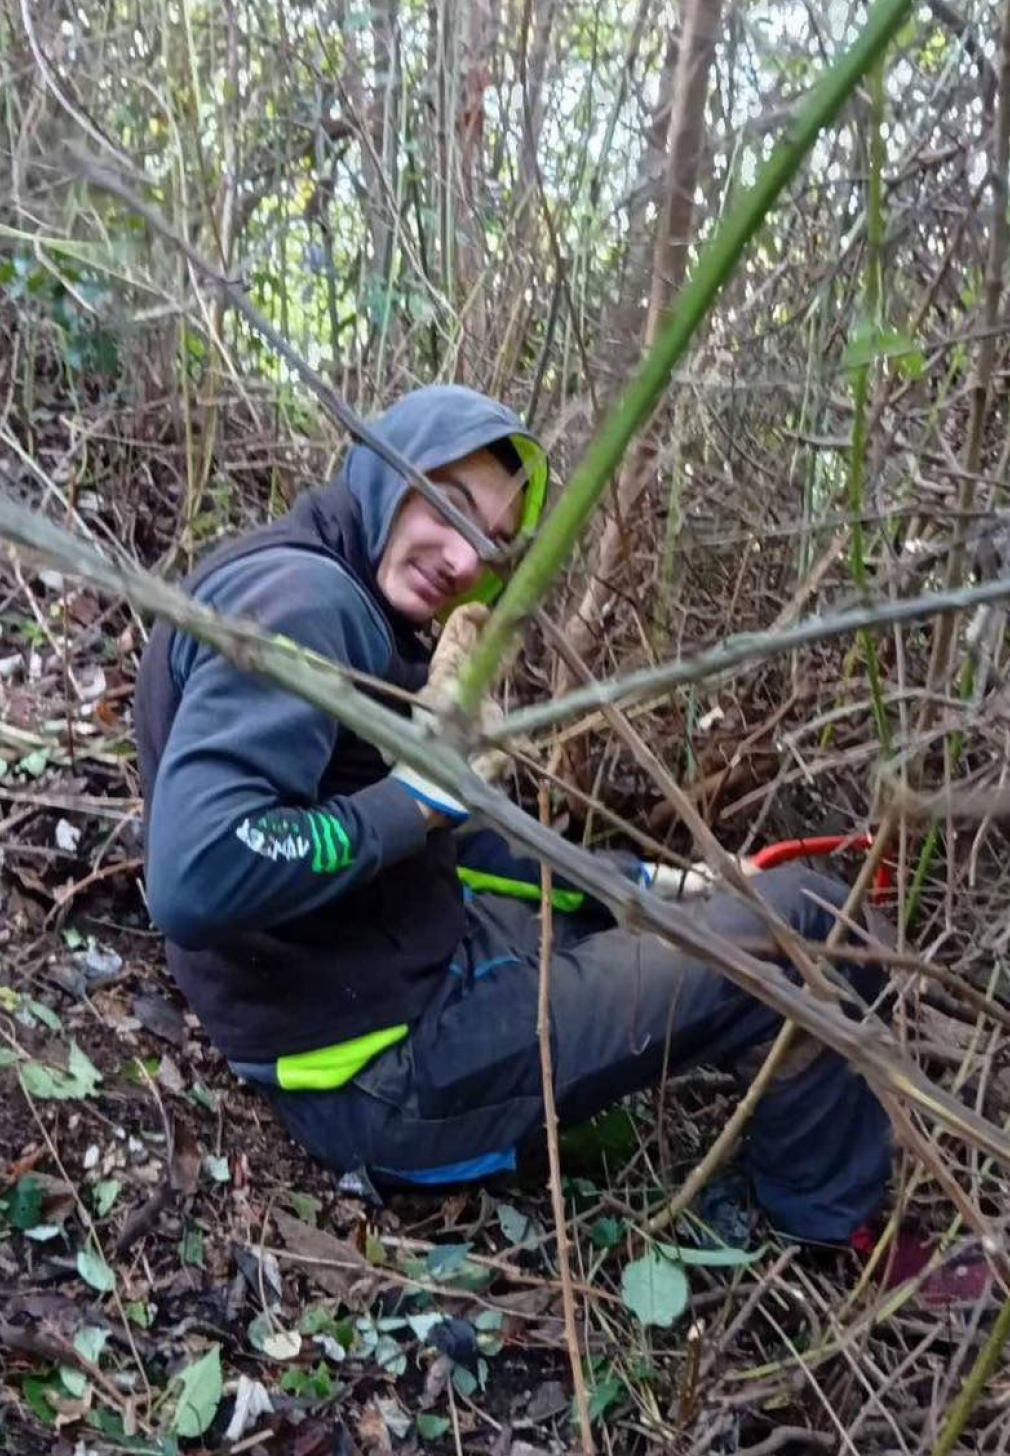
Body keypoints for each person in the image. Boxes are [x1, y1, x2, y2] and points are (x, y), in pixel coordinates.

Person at [134, 384, 891, 1240]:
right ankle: (833, 1232)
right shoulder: (306, 605)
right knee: (816, 926)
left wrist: (661, 881)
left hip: (383, 983)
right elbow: (197, 873)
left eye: (491, 542)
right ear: (387, 466)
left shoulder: (325, 581)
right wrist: (419, 796)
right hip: (379, 1076)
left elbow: (462, 842)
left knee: (715, 917)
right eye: (448, 505)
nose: (462, 558)